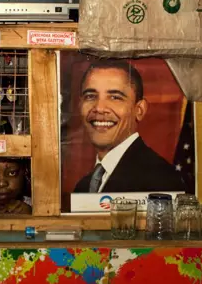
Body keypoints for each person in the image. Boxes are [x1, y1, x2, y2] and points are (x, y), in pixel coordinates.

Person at [73, 60, 183, 193]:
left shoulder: (161, 181)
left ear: (139, 110)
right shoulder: (83, 186)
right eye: (90, 96)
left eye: (115, 97)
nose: (99, 108)